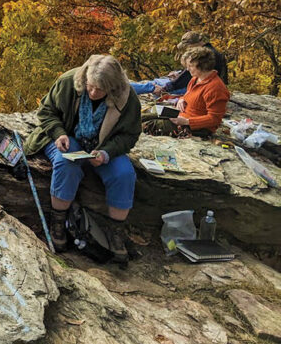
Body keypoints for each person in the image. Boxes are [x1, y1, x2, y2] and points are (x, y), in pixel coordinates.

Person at [23, 54, 142, 262]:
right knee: (66, 163)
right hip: (67, 136)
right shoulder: (69, 81)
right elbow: (46, 111)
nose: (94, 93)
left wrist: (106, 154)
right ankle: (58, 222)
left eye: (101, 90)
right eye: (91, 86)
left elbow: (129, 135)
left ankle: (115, 232)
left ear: (113, 88)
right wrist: (58, 133)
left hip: (104, 146)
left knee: (124, 174)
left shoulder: (127, 97)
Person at [130, 31, 228, 96]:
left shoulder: (204, 55)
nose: (187, 49)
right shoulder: (209, 51)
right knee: (156, 82)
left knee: (154, 85)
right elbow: (190, 73)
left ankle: (126, 88)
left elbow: (187, 77)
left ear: (195, 43)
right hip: (193, 84)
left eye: (188, 46)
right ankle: (130, 88)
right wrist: (179, 73)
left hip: (194, 87)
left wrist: (166, 88)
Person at [168, 46, 230, 136]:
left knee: (151, 124)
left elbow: (215, 119)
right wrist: (182, 99)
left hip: (197, 128)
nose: (187, 69)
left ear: (202, 66)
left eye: (190, 66)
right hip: (182, 118)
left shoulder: (216, 88)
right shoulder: (195, 79)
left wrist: (187, 121)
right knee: (150, 115)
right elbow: (189, 95)